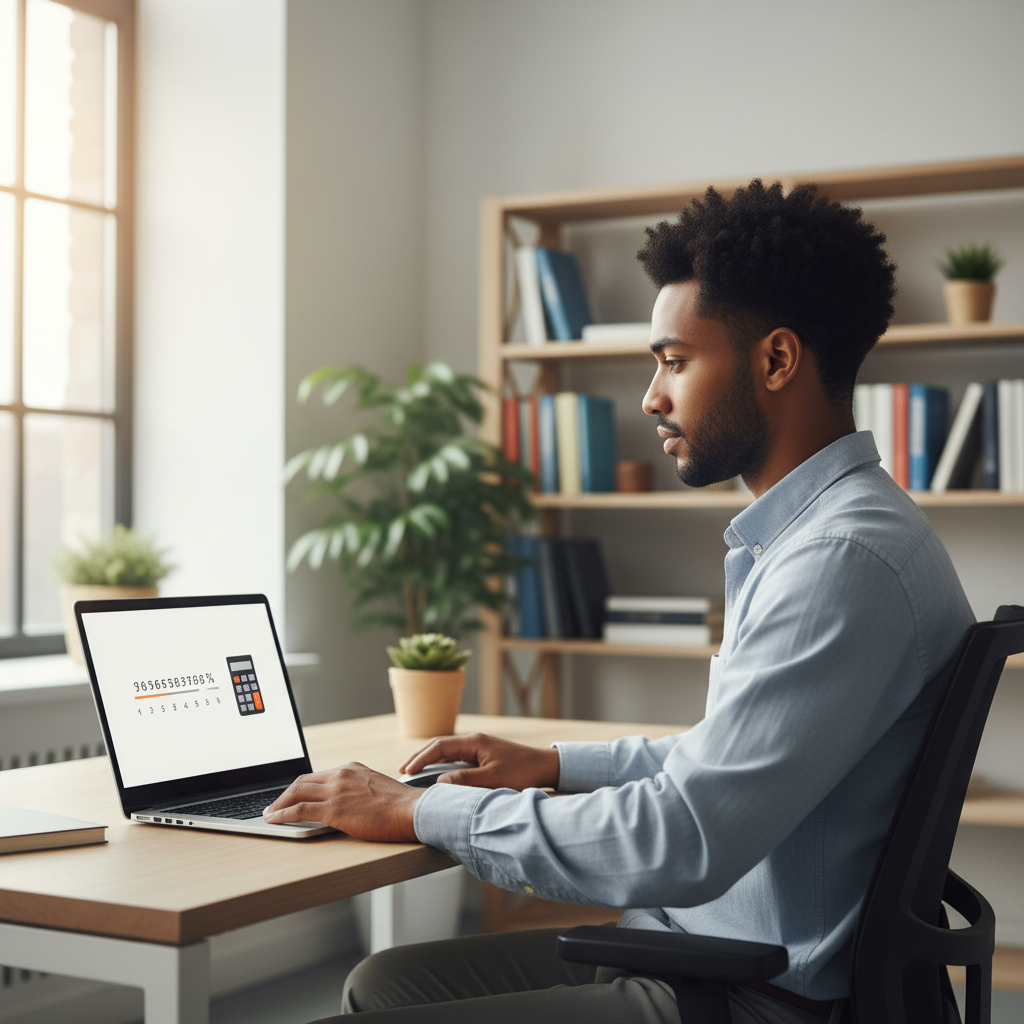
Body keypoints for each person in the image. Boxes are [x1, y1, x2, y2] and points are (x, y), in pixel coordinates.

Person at [265, 180, 975, 1023]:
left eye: (674, 361)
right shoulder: (830, 534)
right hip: (705, 947)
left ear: (776, 360)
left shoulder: (839, 561)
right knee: (384, 986)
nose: (651, 398)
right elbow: (729, 759)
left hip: (750, 993)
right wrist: (554, 765)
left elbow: (682, 838)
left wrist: (417, 807)